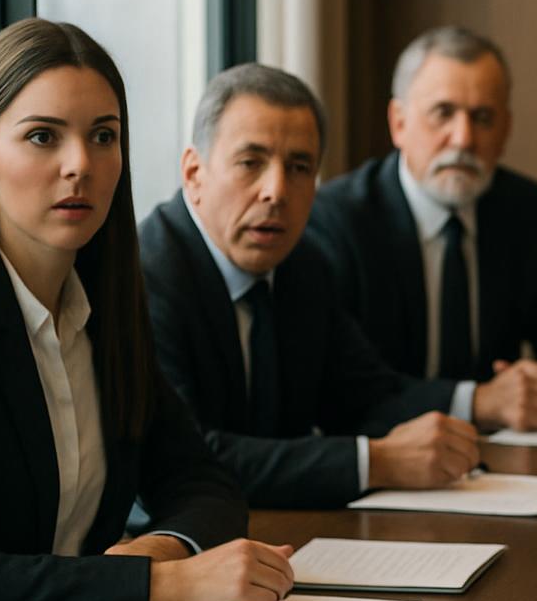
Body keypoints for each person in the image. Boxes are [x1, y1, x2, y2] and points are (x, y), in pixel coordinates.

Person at [0, 19, 295, 601]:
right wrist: (164, 583)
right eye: (43, 136)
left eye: (103, 136)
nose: (81, 165)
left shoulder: (104, 311)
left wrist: (160, 550)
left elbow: (204, 484)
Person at [139, 63, 480, 509]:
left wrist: (469, 415)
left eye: (299, 167)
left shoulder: (303, 266)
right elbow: (186, 458)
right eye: (250, 162)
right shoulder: (146, 276)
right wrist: (375, 462)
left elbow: (366, 396)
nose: (276, 191)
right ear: (193, 173)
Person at [308, 27, 537, 430]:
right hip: (390, 462)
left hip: (500, 469)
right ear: (398, 123)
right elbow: (340, 389)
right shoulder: (339, 220)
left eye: (483, 118)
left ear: (505, 129)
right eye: (443, 113)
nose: (463, 138)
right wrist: (479, 402)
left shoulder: (522, 209)